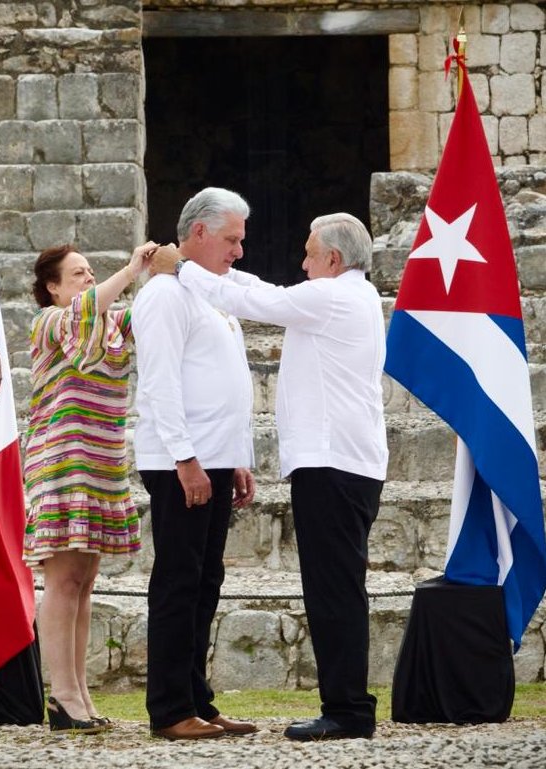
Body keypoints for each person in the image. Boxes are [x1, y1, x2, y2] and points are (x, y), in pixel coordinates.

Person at [150, 212, 388, 740]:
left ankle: (347, 711)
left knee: (333, 589)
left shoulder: (333, 297)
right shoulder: (352, 295)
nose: (301, 264)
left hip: (334, 465)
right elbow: (263, 290)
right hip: (345, 464)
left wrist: (182, 267)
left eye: (308, 254)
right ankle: (346, 705)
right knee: (336, 586)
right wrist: (206, 270)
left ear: (333, 259)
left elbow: (259, 302)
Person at [132, 187, 258, 740]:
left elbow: (226, 382)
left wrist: (237, 458)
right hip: (179, 461)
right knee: (179, 581)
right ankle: (169, 708)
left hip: (214, 459)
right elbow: (159, 382)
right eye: (231, 239)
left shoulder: (213, 294)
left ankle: (198, 700)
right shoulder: (164, 294)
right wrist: (185, 458)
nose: (237, 251)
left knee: (207, 580)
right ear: (199, 233)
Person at [24, 240, 157, 733]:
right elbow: (88, 306)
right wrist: (130, 269)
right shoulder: (49, 323)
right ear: (52, 288)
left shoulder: (111, 326)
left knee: (83, 584)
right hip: (61, 464)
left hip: (101, 466)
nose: (86, 278)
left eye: (88, 271)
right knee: (62, 582)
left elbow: (147, 313)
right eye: (75, 273)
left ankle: (78, 692)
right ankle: (61, 696)